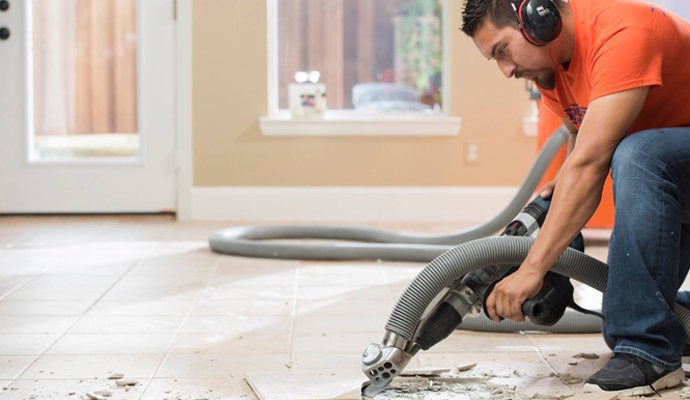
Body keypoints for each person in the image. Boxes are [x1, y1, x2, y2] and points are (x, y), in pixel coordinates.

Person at [461, 0, 690, 395]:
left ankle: (649, 354)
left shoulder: (622, 33)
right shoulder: (551, 70)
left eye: (502, 49)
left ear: (538, 18)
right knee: (627, 317)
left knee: (640, 153)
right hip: (678, 173)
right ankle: (670, 324)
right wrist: (560, 191)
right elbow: (579, 139)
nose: (507, 69)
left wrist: (532, 269)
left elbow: (592, 162)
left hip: (667, 163)